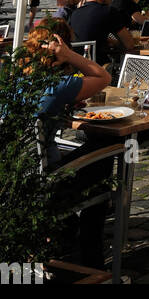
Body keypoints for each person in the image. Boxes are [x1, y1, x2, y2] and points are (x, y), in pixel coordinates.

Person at [25, 20, 114, 267]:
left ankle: (66, 234)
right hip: (48, 183)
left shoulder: (13, 82)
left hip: (19, 179)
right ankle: (91, 256)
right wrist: (70, 55)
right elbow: (103, 76)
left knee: (93, 153)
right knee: (103, 157)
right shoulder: (58, 86)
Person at [69, 0, 137, 65]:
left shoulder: (75, 14)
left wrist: (106, 41)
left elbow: (87, 35)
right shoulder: (108, 11)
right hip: (100, 67)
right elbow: (129, 44)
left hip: (77, 65)